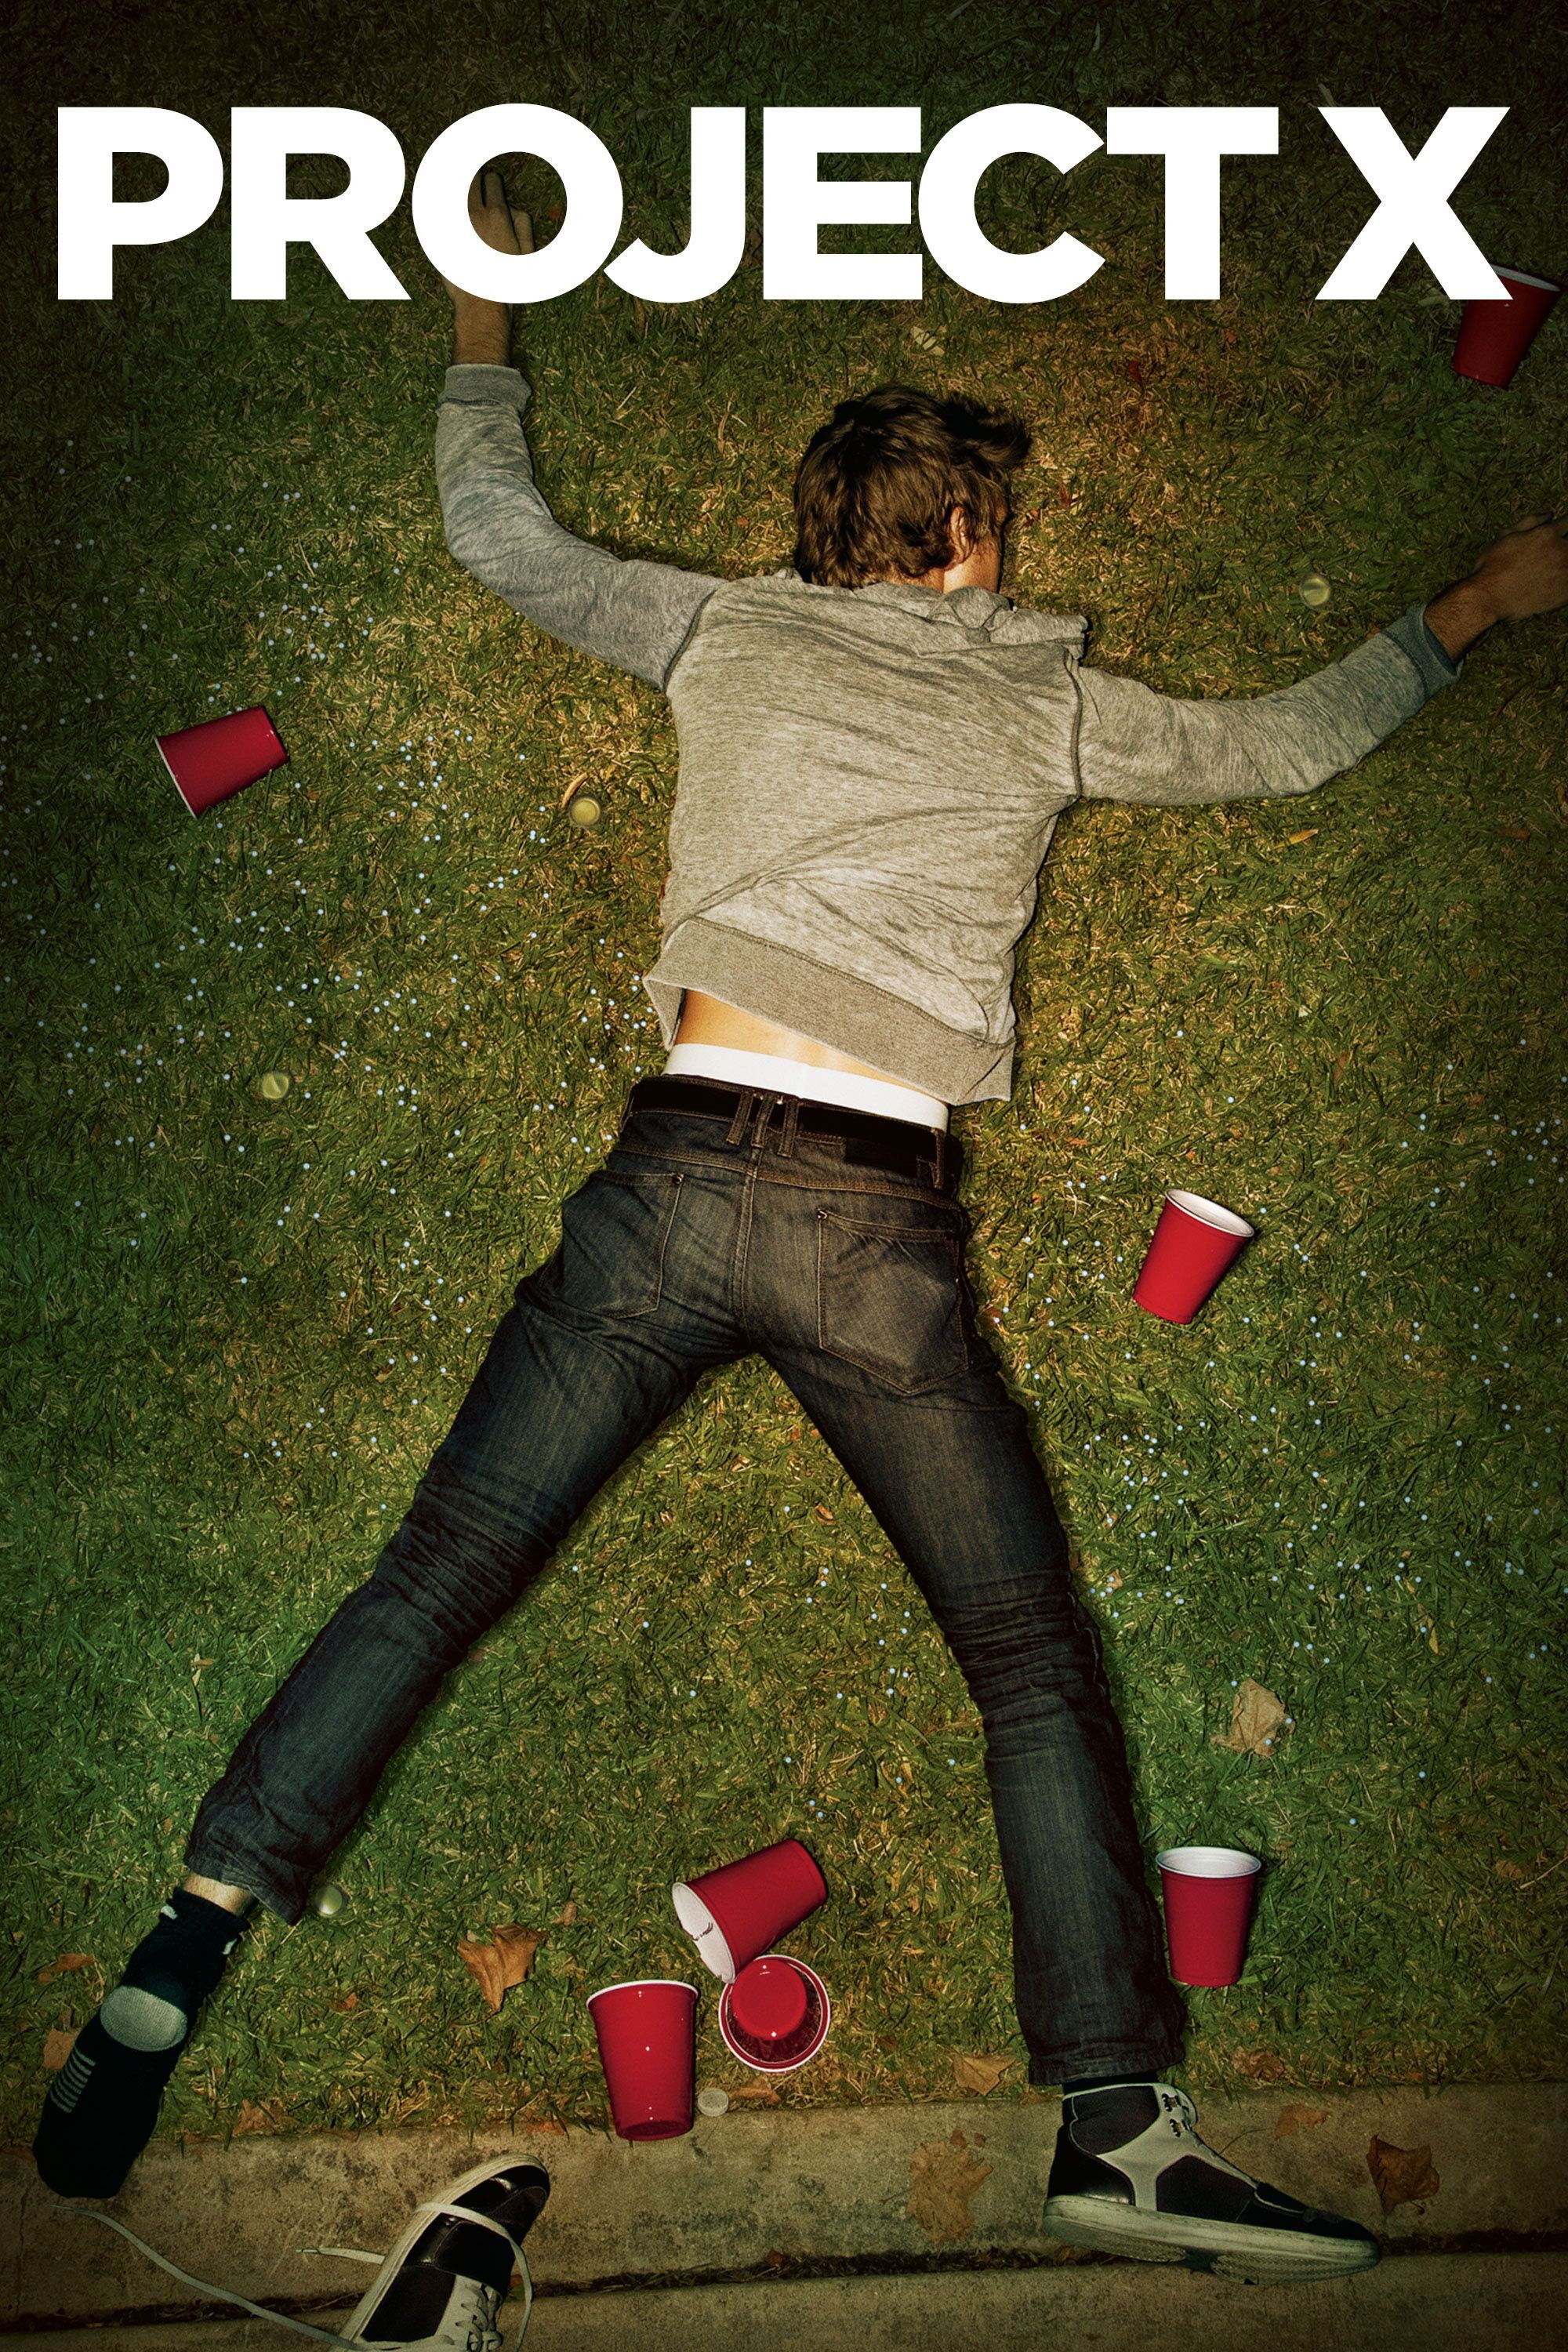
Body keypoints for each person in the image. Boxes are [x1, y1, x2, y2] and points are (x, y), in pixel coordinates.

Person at [35, 169, 1568, 2307]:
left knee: (440, 1568)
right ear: (966, 541)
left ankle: (189, 1938)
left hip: (667, 1177)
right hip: (870, 1222)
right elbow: (1282, 749)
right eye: (994, 530)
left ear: (821, 541)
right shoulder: (1036, 691)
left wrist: (482, 322)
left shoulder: (724, 628)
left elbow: (499, 541)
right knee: (1024, 1658)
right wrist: (1475, 607)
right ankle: (1115, 2125)